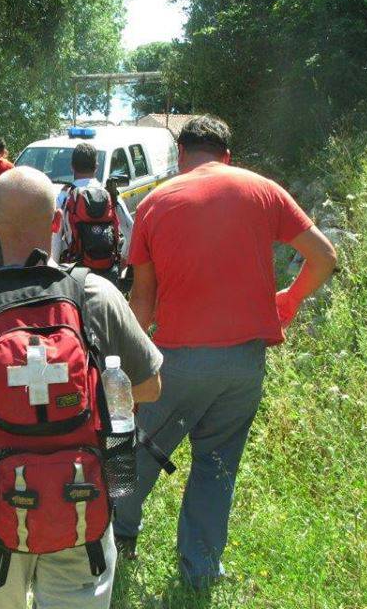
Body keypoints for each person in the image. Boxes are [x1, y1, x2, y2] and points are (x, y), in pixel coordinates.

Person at [0, 167, 163, 609]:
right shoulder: (96, 293)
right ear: (57, 222)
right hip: (82, 497)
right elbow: (151, 387)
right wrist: (80, 397)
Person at [112, 115, 337, 589]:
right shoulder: (263, 190)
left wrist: (132, 368)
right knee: (217, 464)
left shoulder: (156, 202)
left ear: (181, 156)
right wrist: (289, 301)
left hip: (176, 361)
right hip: (244, 362)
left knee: (139, 451)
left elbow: (144, 298)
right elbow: (324, 257)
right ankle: (199, 570)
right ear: (227, 156)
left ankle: (117, 540)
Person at [51, 142, 134, 285]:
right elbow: (132, 232)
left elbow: (55, 239)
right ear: (96, 167)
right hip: (107, 273)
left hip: (76, 274)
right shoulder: (110, 195)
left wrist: (55, 272)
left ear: (72, 166)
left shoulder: (65, 197)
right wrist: (123, 259)